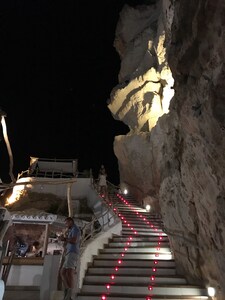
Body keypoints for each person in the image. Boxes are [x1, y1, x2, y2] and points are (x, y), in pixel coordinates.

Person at [59, 217, 81, 300]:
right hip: (69, 252)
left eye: (67, 223)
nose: (66, 225)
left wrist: (64, 239)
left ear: (71, 222)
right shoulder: (71, 230)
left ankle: (69, 295)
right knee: (62, 272)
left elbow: (74, 241)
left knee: (69, 273)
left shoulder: (75, 229)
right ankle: (68, 291)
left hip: (73, 252)